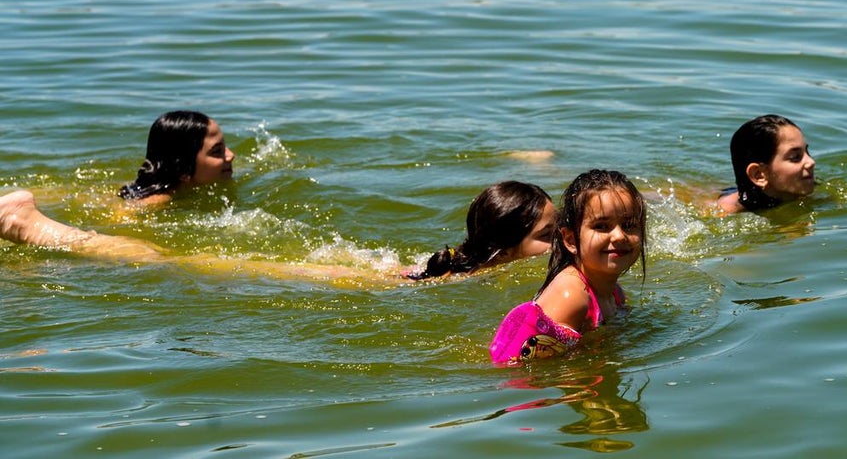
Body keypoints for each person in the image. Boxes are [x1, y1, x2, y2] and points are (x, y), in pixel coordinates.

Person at [1, 180, 558, 286]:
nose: (557, 244)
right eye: (546, 236)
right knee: (152, 260)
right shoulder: (465, 280)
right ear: (503, 247)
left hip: (349, 274)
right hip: (314, 278)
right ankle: (33, 226)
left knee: (155, 257)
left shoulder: (464, 268)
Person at [490, 169, 646, 366]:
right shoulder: (571, 296)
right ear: (571, 240)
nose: (619, 236)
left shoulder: (616, 293)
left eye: (629, 224)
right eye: (601, 226)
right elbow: (543, 369)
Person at [404, 181, 556, 280]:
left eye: (559, 225)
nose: (561, 237)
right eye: (545, 234)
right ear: (503, 252)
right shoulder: (469, 279)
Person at [118, 110, 235, 209]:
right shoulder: (156, 202)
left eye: (225, 146)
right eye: (217, 151)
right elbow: (117, 222)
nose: (231, 155)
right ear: (184, 170)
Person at [714, 114, 816, 214]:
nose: (811, 162)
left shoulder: (805, 190)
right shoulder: (725, 214)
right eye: (795, 157)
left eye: (806, 152)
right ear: (759, 175)